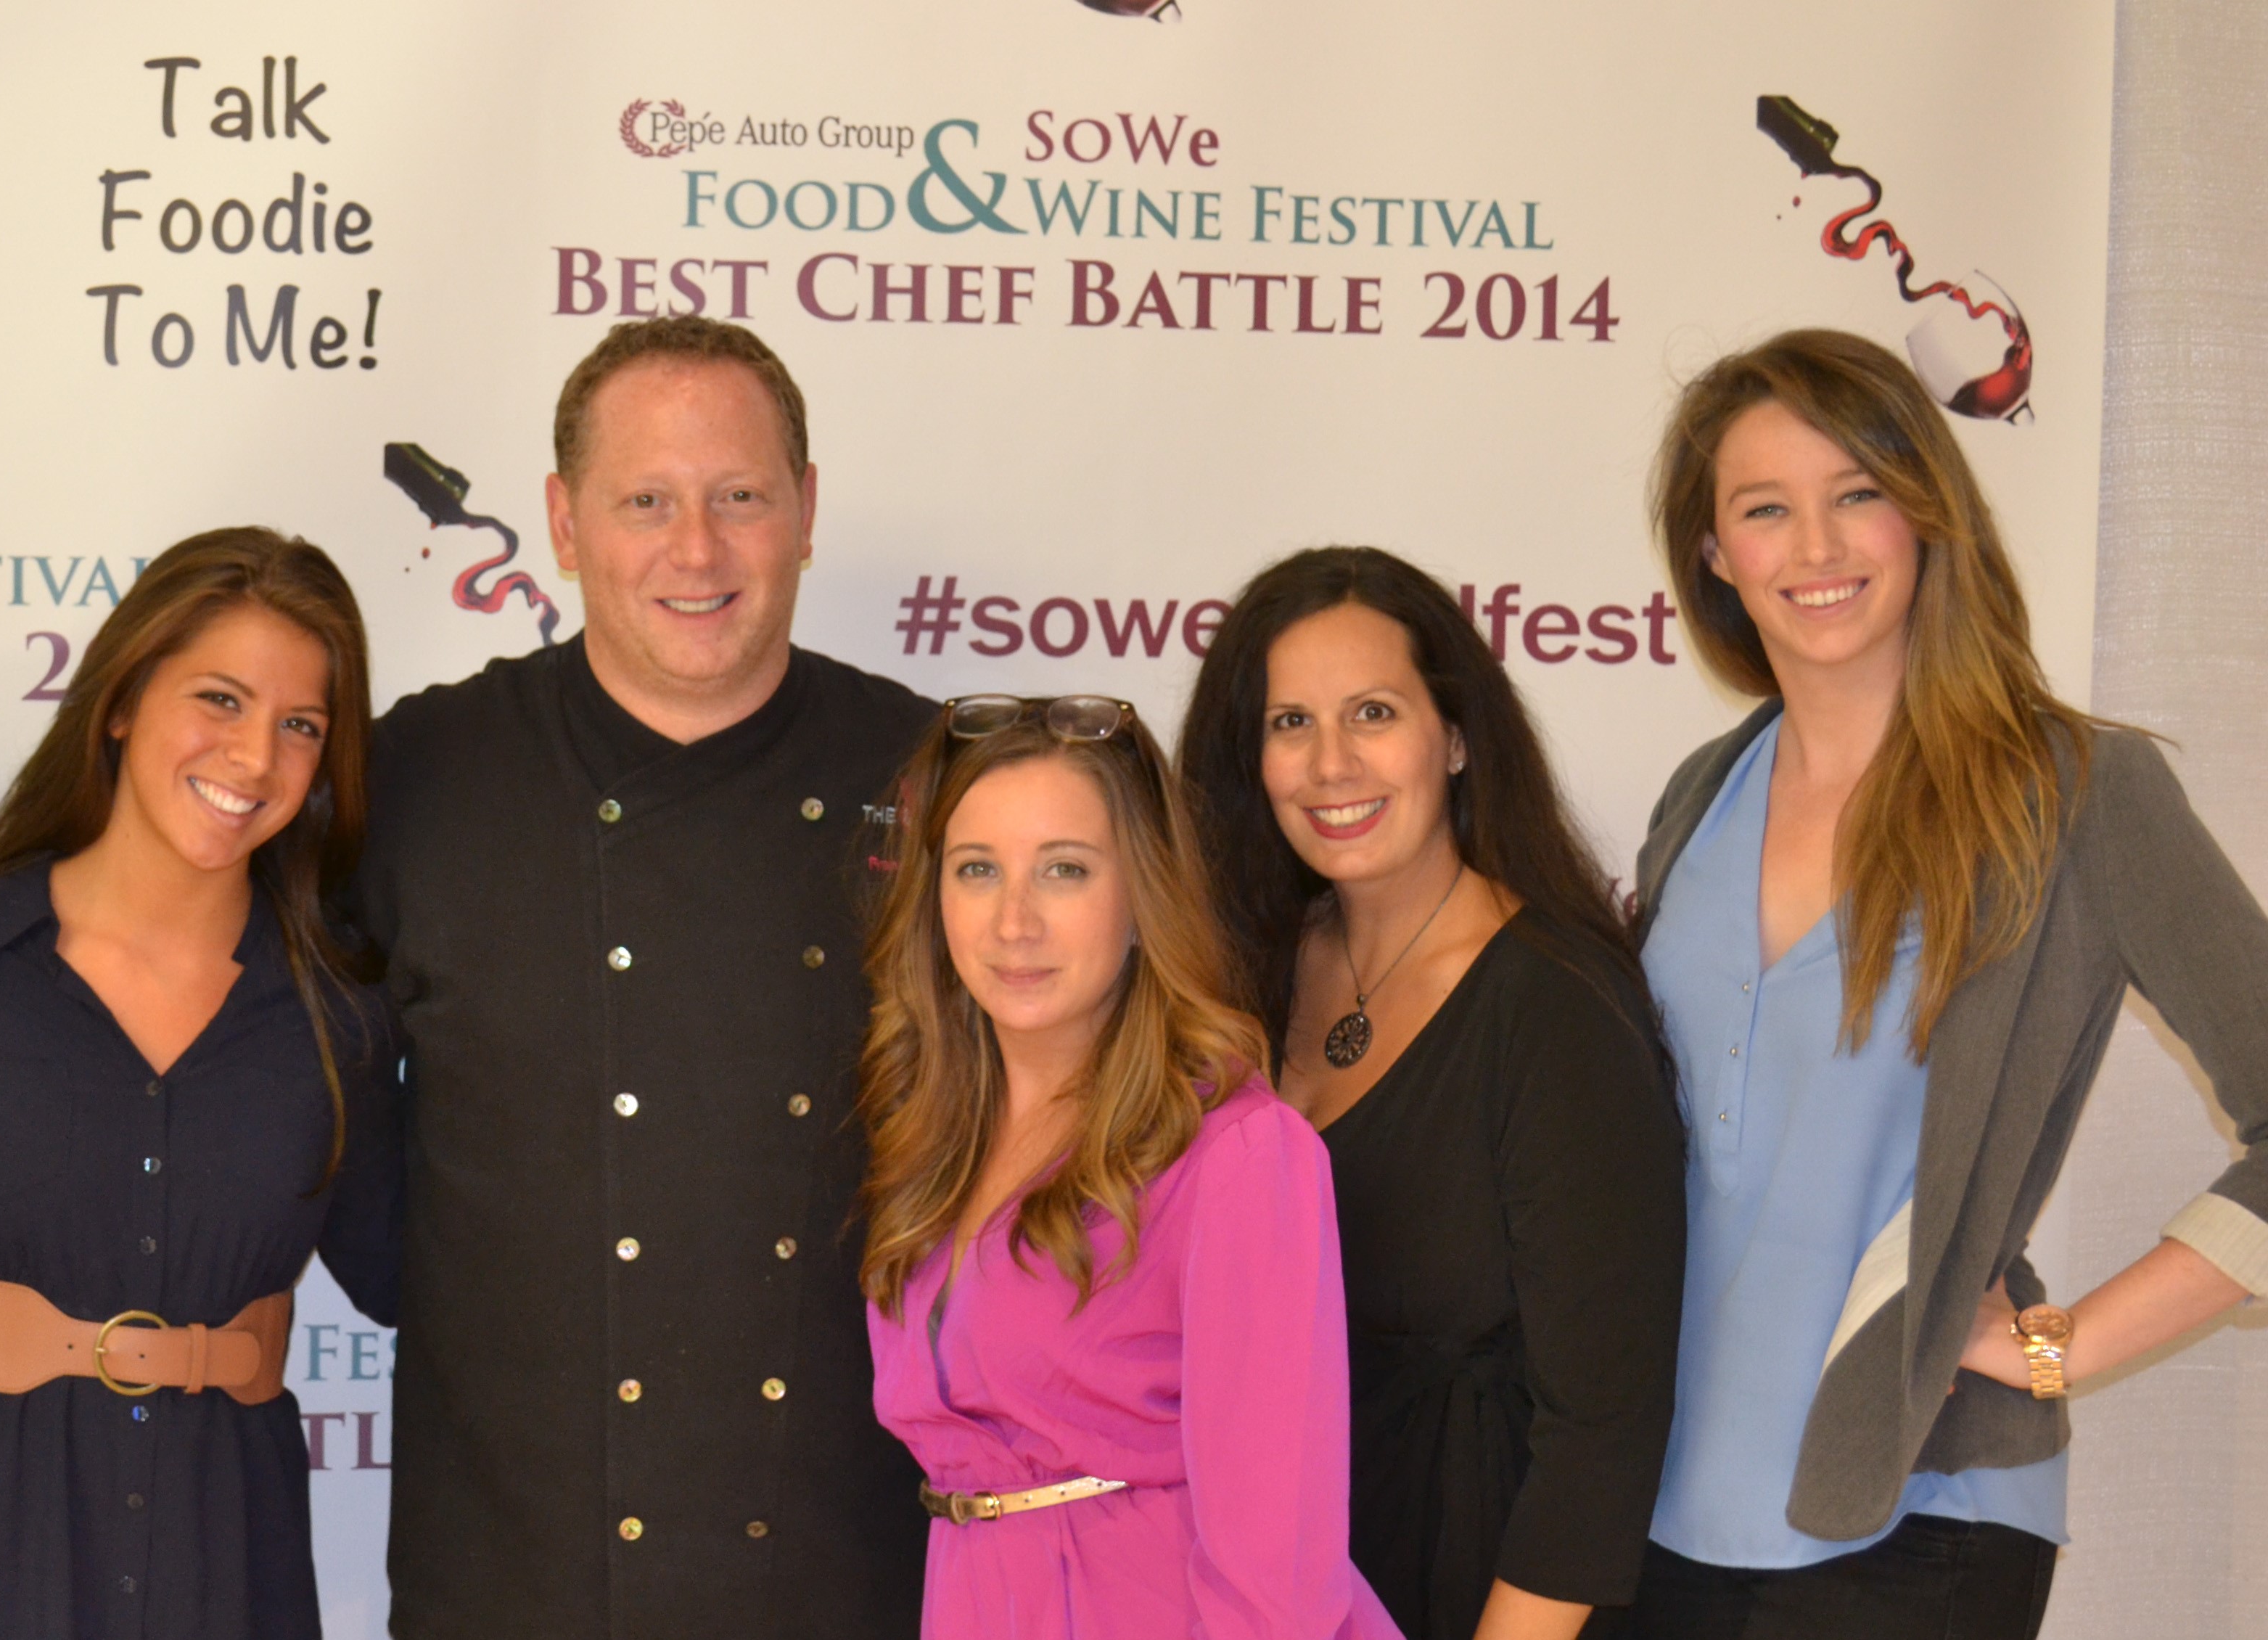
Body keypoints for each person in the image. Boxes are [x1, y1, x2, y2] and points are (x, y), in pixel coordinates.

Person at [1622, 328, 2268, 1636]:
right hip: (1659, 1502)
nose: (1816, 546)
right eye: (1765, 509)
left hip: (1920, 1510)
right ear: (1715, 555)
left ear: (1928, 513)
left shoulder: (2078, 792)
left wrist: (2066, 1346)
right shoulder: (1702, 795)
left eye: (1858, 491)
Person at [350, 313, 934, 1639]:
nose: (697, 550)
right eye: (646, 502)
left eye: (741, 498)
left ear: (806, 512)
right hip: (512, 1573)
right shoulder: (421, 780)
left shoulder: (939, 783)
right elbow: (281, 1092)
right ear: (564, 524)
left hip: (853, 1569)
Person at [0, 528, 403, 1639]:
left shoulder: (340, 1010)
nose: (256, 758)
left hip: (227, 1553)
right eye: (221, 700)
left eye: (301, 725)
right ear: (120, 702)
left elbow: (407, 1272)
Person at [1175, 547, 1685, 1640]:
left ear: (1455, 737)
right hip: (1279, 1598)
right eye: (1290, 723)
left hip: (1484, 1595)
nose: (1331, 764)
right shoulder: (1237, 987)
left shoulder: (1554, 1002)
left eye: (1373, 713)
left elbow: (1602, 1430)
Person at [858, 694, 1397, 1640]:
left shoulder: (1237, 1157)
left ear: (1142, 900)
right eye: (978, 869)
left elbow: (1277, 1574)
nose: (1014, 921)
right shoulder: (935, 1140)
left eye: (1064, 870)